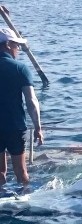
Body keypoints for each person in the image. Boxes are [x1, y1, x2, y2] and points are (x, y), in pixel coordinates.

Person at [0, 27, 43, 185]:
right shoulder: (20, 68)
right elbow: (31, 100)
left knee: (0, 172)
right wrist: (38, 127)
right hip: (15, 127)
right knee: (21, 171)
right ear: (8, 45)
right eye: (17, 46)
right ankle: (25, 200)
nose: (18, 49)